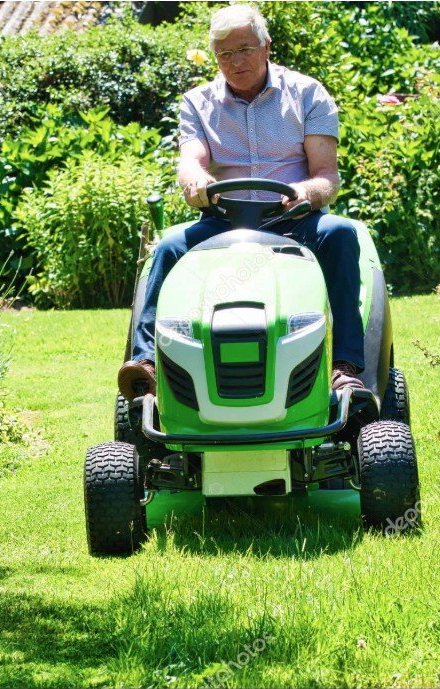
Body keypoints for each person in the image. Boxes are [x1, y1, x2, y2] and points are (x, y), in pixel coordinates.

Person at [117, 4, 365, 401]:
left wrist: (306, 192)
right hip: (225, 221)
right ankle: (145, 364)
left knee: (340, 233)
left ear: (267, 46)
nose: (236, 62)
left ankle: (345, 366)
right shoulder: (197, 103)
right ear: (215, 57)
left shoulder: (306, 93)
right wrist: (194, 179)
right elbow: (190, 161)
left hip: (293, 219)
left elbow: (327, 176)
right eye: (225, 54)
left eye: (245, 49)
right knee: (167, 247)